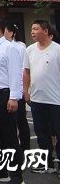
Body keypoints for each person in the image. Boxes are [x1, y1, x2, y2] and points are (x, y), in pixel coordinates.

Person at [0, 14, 24, 183]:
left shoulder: (9, 48)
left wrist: (14, 97)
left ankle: (16, 175)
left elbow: (15, 73)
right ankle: (1, 170)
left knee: (9, 136)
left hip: (4, 94)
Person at [24, 19, 60, 174]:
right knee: (41, 133)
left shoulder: (57, 49)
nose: (32, 32)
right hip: (37, 99)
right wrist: (26, 91)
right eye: (31, 29)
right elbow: (26, 72)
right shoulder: (30, 50)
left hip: (56, 100)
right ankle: (47, 163)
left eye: (35, 29)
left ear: (45, 31)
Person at [4, 21, 30, 151]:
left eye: (5, 31)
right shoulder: (1, 48)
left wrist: (21, 90)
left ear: (12, 33)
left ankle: (25, 146)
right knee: (11, 123)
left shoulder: (19, 47)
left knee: (21, 120)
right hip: (7, 90)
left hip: (17, 89)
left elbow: (21, 70)